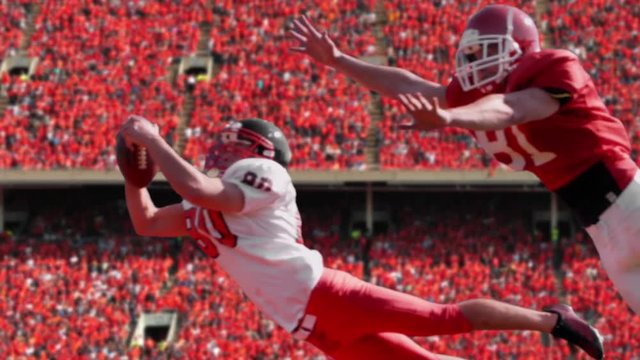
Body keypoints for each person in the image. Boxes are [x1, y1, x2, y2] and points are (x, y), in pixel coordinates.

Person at [119, 115, 604, 359]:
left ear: (260, 149)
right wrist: (133, 178)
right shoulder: (198, 204)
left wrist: (155, 141)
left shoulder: (262, 173)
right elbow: (146, 222)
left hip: (326, 294)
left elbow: (199, 187)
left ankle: (553, 320)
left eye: (232, 139)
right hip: (307, 325)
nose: (220, 145)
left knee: (443, 318)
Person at [290, 4, 640, 315]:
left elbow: (513, 108)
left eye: (483, 52)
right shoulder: (472, 95)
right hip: (598, 224)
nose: (472, 64)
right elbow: (408, 86)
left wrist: (450, 118)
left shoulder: (551, 68)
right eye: (469, 54)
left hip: (626, 198)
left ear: (520, 50)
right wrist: (338, 60)